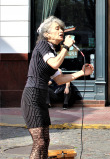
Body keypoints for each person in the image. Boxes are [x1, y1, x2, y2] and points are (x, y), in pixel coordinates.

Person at [21, 16, 94, 159]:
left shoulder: (52, 51)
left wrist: (81, 72)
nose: (61, 30)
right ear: (47, 34)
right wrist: (66, 47)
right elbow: (55, 64)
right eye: (57, 28)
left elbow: (59, 80)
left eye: (61, 28)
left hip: (41, 98)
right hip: (32, 96)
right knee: (39, 142)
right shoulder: (42, 44)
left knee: (45, 141)